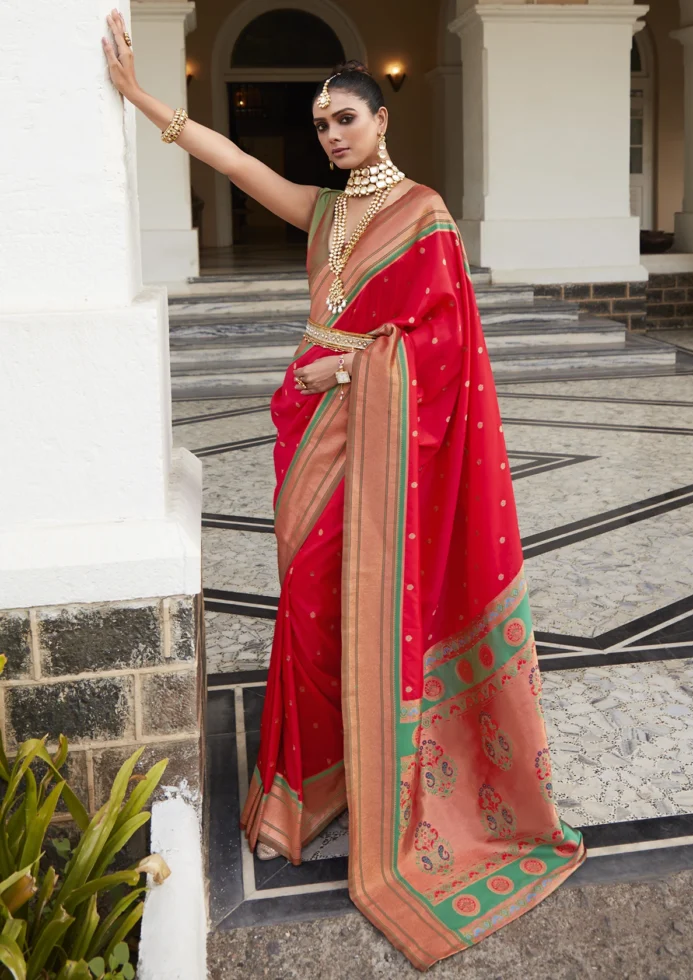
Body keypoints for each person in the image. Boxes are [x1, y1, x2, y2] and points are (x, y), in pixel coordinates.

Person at [103, 10, 585, 971]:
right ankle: (311, 781)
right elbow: (238, 166)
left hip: (364, 420)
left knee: (349, 600)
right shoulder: (326, 212)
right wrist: (145, 100)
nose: (329, 135)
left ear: (380, 122)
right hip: (309, 427)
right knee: (311, 606)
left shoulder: (425, 215)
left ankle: (376, 779)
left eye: (344, 120)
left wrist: (355, 371)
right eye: (320, 122)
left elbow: (447, 352)